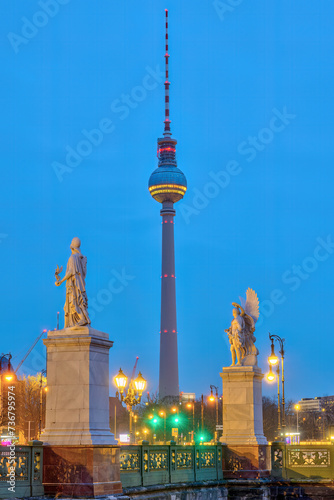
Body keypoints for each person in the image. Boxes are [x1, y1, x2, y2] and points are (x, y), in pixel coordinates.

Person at [55, 237, 90, 328]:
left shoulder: (73, 258)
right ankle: (81, 319)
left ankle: (82, 318)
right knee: (78, 302)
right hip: (79, 284)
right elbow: (84, 273)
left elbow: (71, 272)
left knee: (73, 302)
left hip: (73, 285)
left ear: (71, 246)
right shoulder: (81, 258)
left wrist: (61, 281)